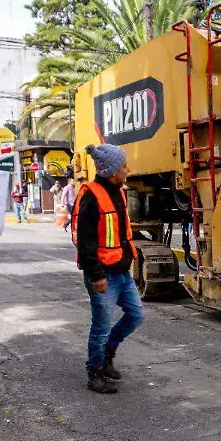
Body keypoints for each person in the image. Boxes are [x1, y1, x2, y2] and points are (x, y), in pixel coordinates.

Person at [72, 143, 143, 395]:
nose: (127, 169)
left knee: (136, 315)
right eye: (123, 166)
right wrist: (96, 275)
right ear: (112, 170)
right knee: (101, 326)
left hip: (121, 272)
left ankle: (107, 355)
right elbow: (85, 241)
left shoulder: (118, 191)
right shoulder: (91, 195)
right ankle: (95, 372)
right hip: (103, 274)